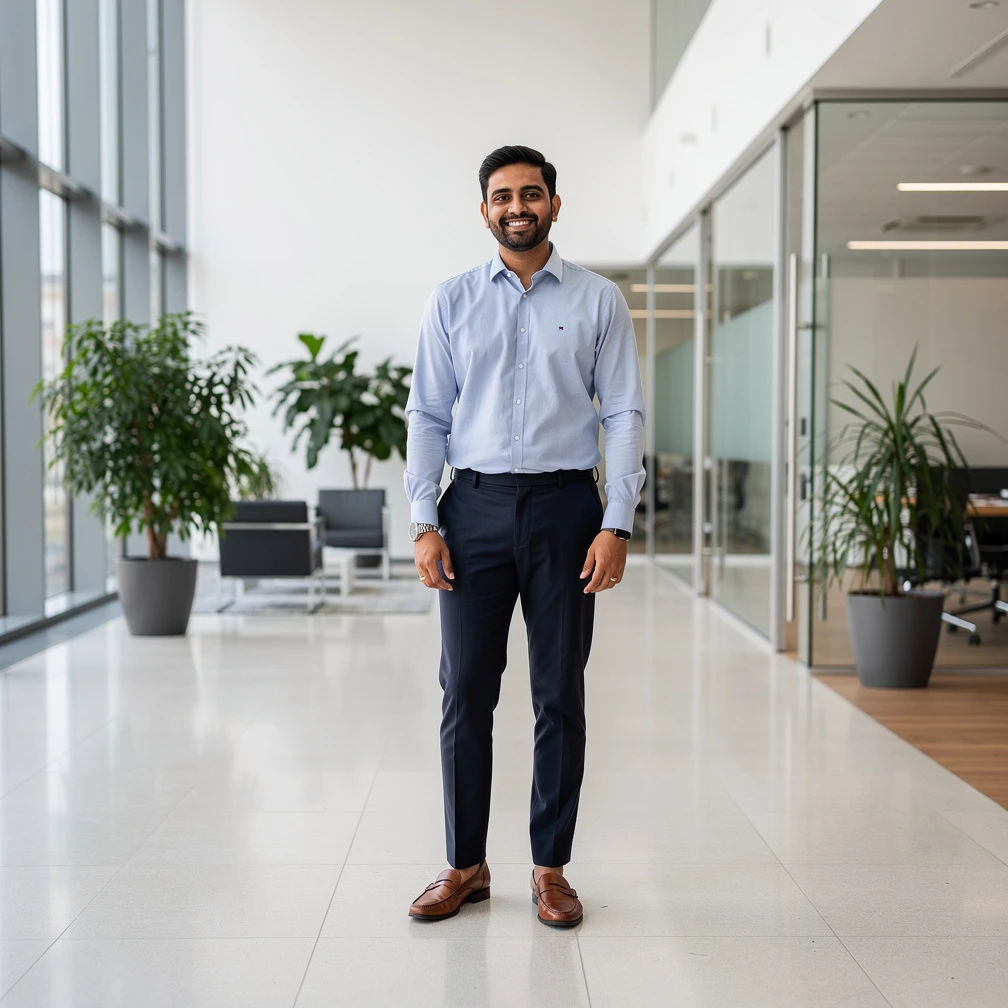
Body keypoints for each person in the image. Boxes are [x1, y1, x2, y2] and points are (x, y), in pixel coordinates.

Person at [404, 145, 645, 927]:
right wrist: (423, 521)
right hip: (469, 510)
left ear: (554, 204)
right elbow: (428, 415)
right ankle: (465, 865)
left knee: (558, 695)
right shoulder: (451, 299)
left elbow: (623, 415)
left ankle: (550, 868)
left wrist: (616, 521)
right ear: (484, 210)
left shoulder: (600, 298)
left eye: (531, 193)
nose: (518, 206)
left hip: (565, 510)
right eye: (503, 196)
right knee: (465, 690)